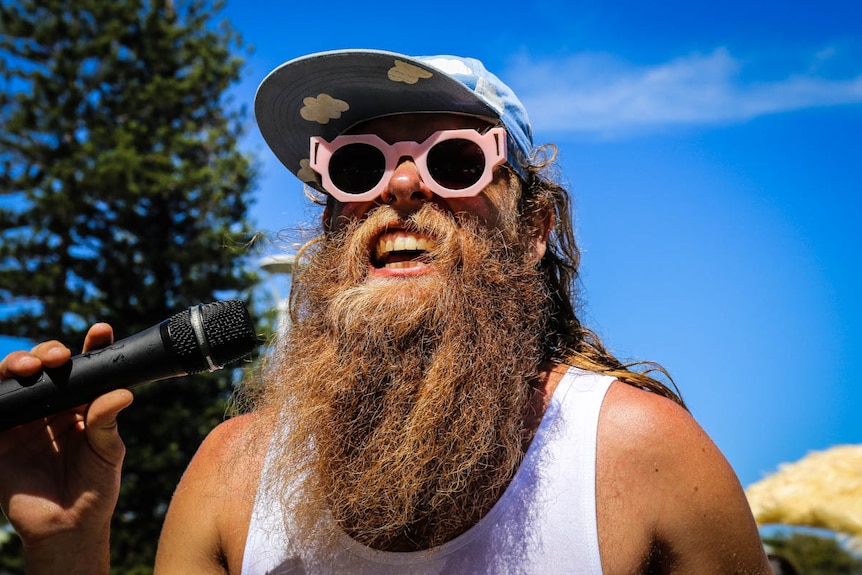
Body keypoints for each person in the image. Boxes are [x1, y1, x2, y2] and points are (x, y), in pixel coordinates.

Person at [0, 49, 771, 574]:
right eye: (360, 165)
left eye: (456, 159)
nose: (400, 188)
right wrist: (69, 548)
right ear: (335, 227)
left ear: (533, 231)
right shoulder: (232, 474)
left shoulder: (640, 458)